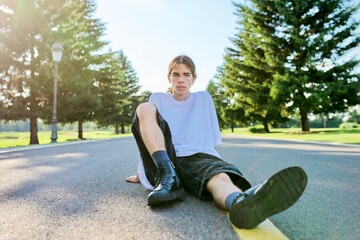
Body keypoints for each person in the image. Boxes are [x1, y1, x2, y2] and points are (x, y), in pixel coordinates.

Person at [127, 55, 307, 229]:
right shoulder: (158, 98)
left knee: (220, 178)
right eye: (176, 74)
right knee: (144, 107)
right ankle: (168, 176)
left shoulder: (203, 98)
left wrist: (215, 166)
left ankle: (240, 203)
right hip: (164, 161)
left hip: (195, 157)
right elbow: (149, 136)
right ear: (169, 78)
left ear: (194, 78)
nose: (180, 80)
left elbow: (208, 143)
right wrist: (142, 172)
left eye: (186, 74)